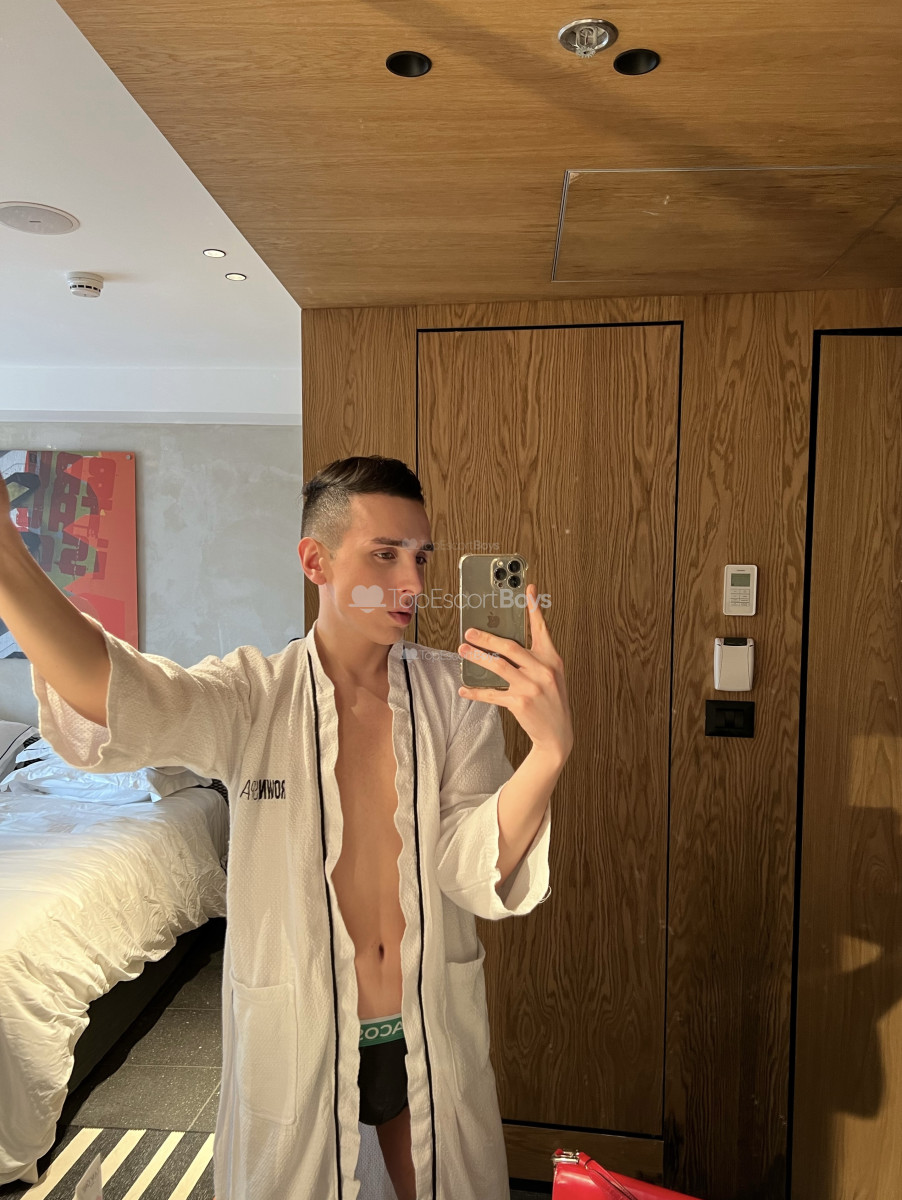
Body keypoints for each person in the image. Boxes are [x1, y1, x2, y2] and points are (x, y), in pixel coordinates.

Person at [0, 455, 573, 1200]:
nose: (413, 583)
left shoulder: (454, 697)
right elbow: (118, 695)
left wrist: (548, 752)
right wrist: (9, 558)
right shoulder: (253, 696)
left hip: (425, 1026)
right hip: (298, 1031)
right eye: (385, 555)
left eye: (422, 557)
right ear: (315, 561)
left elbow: (473, 865)